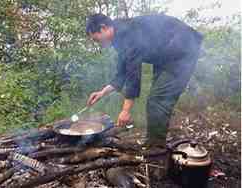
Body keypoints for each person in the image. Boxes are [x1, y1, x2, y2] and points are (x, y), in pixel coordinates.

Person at [86, 13, 203, 150]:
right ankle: (153, 141)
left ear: (103, 27)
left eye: (96, 39)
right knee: (157, 100)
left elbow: (134, 74)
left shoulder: (128, 33)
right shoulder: (119, 37)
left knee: (157, 100)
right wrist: (102, 92)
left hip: (182, 52)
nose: (98, 43)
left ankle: (156, 149)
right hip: (165, 58)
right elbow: (122, 73)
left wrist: (125, 110)